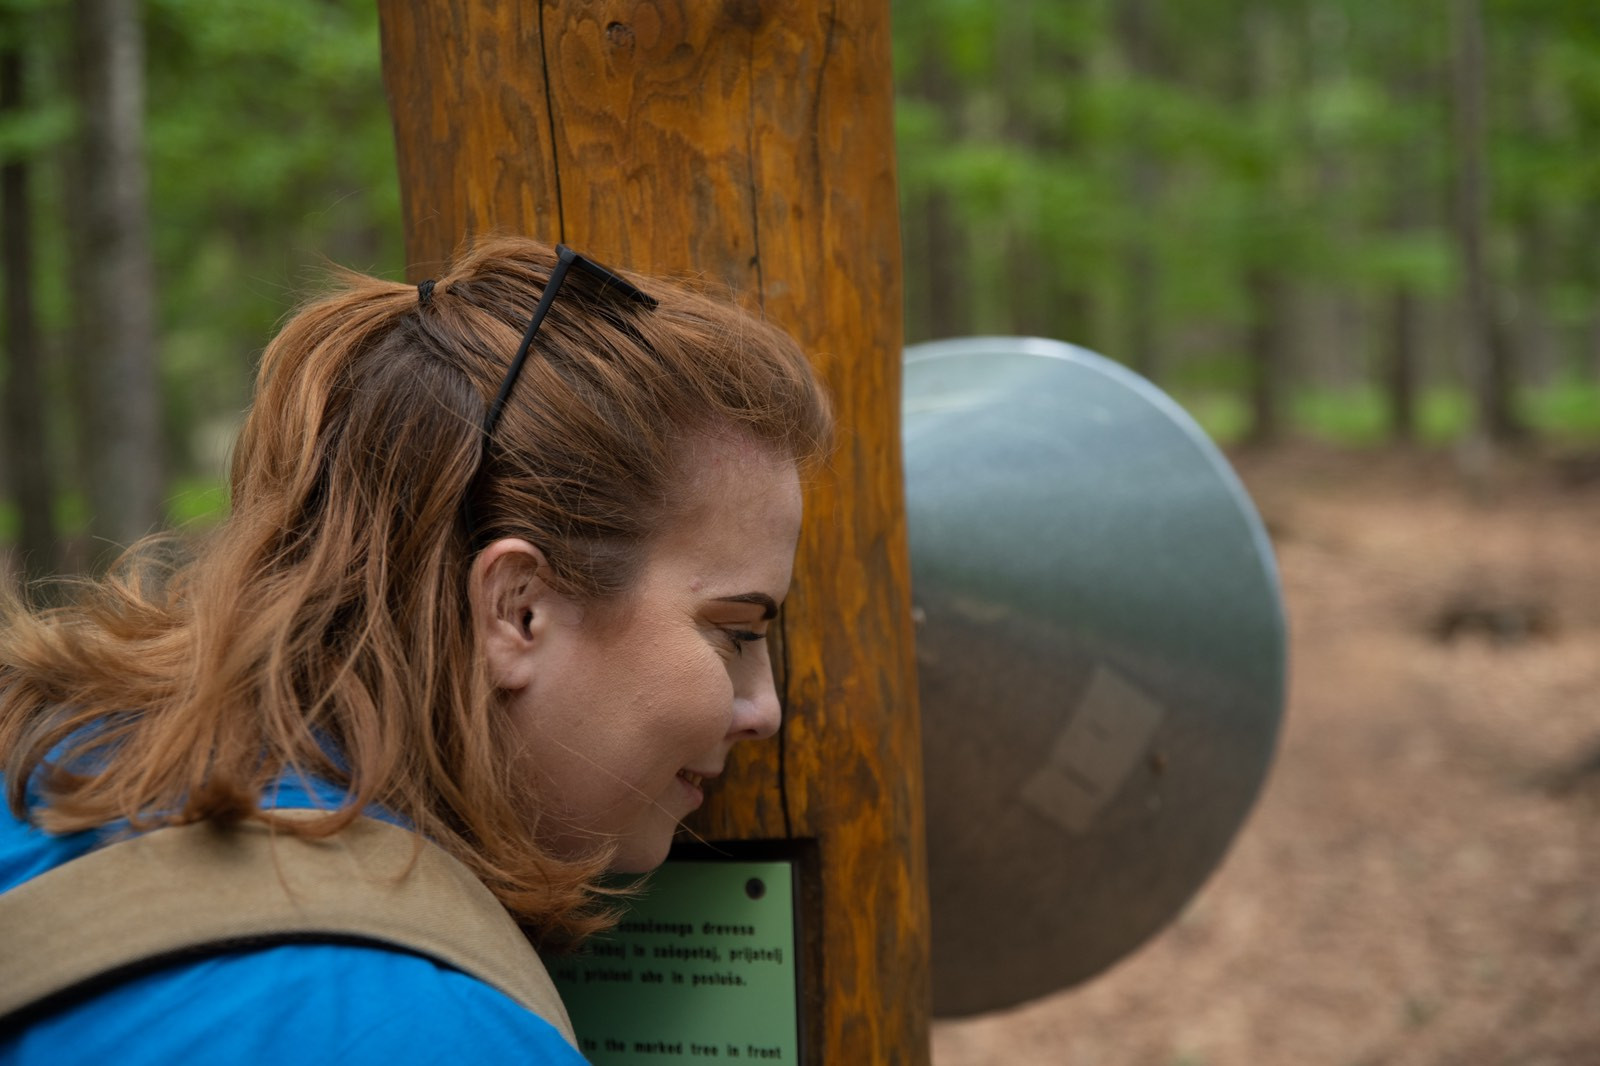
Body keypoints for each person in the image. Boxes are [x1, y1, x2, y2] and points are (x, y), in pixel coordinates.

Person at [0, 236, 832, 1061]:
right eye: (736, 632)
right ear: (519, 610)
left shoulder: (40, 778)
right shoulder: (435, 1034)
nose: (765, 711)